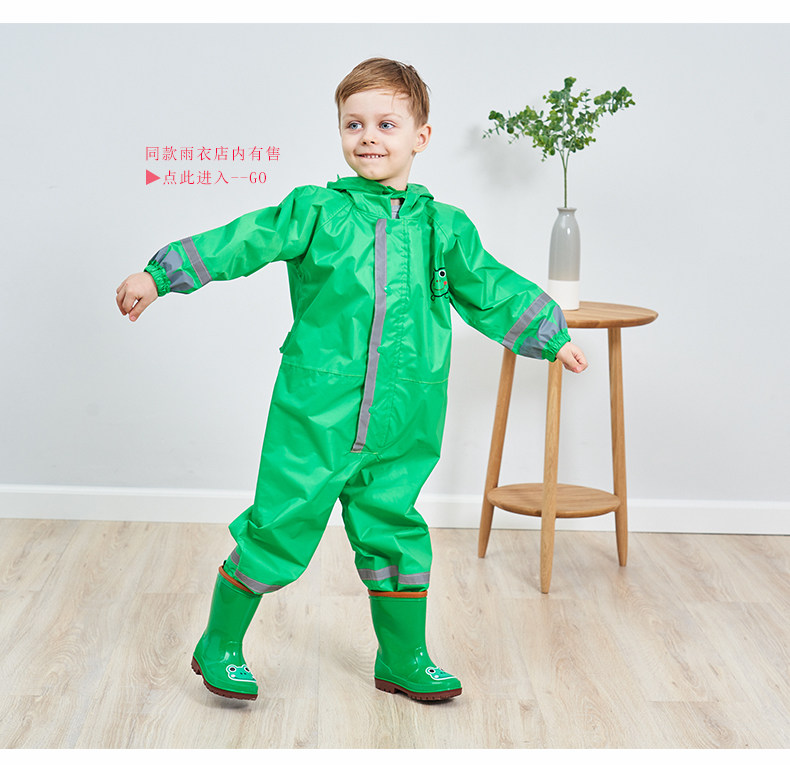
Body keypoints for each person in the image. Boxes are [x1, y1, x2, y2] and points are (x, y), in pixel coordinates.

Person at [116, 57, 588, 704]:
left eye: (386, 124)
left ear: (420, 136)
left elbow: (491, 286)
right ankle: (219, 642)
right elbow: (241, 240)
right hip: (318, 406)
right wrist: (160, 275)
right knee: (281, 520)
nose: (368, 137)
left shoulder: (443, 227)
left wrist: (553, 335)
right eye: (353, 124)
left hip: (407, 409)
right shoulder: (316, 211)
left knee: (393, 526)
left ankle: (403, 657)